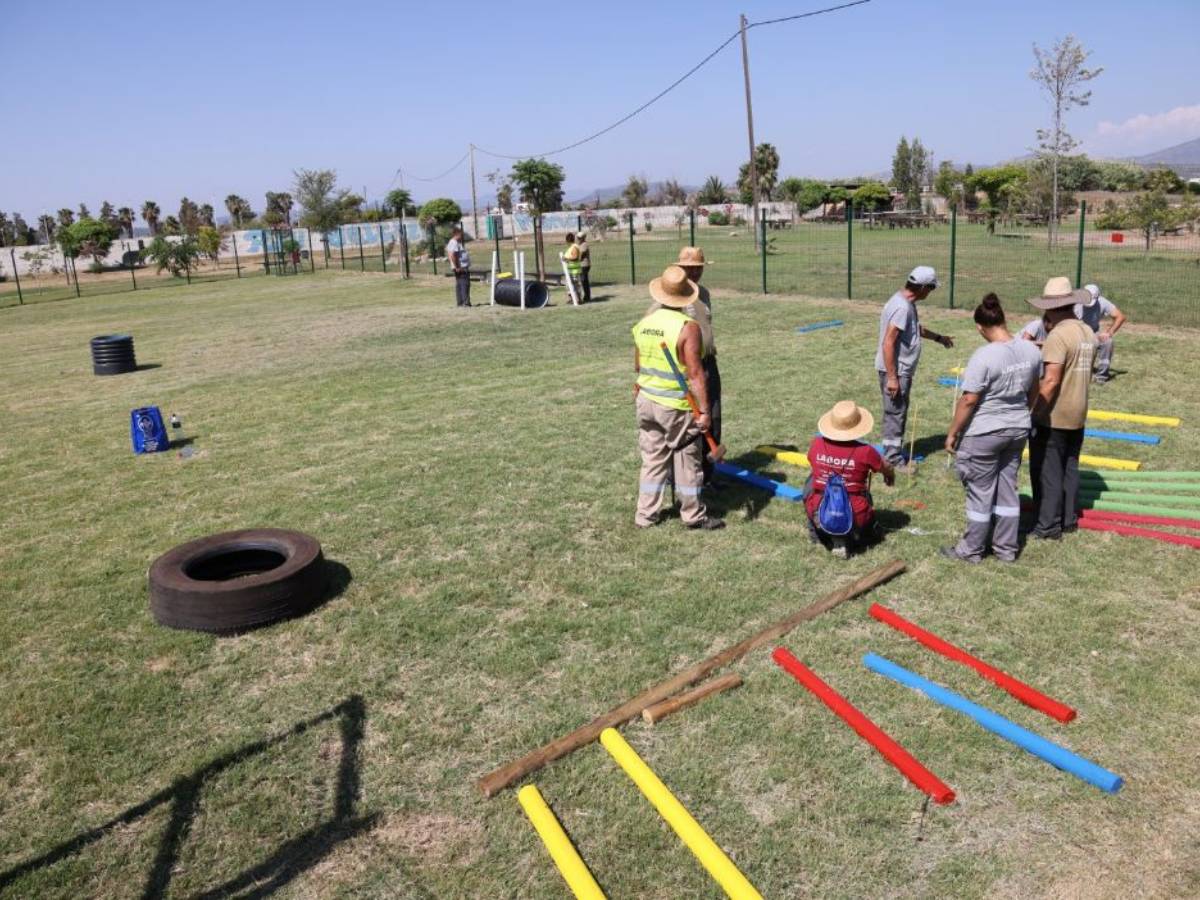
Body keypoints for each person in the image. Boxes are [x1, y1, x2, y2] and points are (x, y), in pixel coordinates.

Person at [941, 293, 1043, 564]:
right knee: (1008, 488)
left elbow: (969, 399)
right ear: (1003, 319)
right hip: (1017, 430)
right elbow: (1035, 390)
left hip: (984, 433)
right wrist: (1023, 413)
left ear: (979, 327)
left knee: (980, 491)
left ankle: (971, 550)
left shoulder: (984, 356)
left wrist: (953, 432)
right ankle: (1006, 549)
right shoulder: (1030, 350)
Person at [632, 265, 724, 530]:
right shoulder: (688, 327)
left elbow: (638, 366)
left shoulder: (644, 324)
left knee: (652, 459)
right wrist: (705, 412)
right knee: (686, 459)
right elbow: (696, 374)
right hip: (675, 405)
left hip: (646, 400)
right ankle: (693, 515)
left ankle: (645, 515)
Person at [1027, 276, 1097, 541]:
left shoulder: (1057, 335)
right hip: (1078, 412)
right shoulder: (1087, 331)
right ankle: (1068, 519)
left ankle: (1047, 525)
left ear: (1051, 307)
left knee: (1048, 471)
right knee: (1070, 467)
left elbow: (1052, 380)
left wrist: (1034, 412)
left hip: (1055, 415)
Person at [875, 266, 954, 466]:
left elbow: (913, 329)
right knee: (896, 413)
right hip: (896, 370)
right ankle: (892, 459)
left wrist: (939, 338)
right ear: (922, 287)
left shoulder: (904, 302)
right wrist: (893, 377)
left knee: (896, 411)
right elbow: (888, 342)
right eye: (931, 288)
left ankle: (892, 451)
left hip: (898, 369)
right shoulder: (902, 307)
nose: (931, 292)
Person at [803, 400, 895, 559]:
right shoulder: (865, 451)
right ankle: (857, 534)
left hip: (819, 509)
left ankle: (817, 532)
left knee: (811, 481)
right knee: (861, 495)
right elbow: (885, 467)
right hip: (855, 515)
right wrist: (889, 475)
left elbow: (811, 461)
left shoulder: (817, 444)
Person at [1078, 283, 1126, 384]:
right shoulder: (1073, 303)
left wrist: (1109, 333)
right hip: (1075, 334)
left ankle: (1101, 376)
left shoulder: (1102, 302)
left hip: (1093, 334)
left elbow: (1120, 316)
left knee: (1108, 342)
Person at [446, 225, 471, 307]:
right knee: (465, 284)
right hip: (461, 267)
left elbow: (450, 254)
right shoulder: (454, 243)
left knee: (459, 284)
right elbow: (453, 255)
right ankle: (465, 302)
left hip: (458, 267)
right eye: (461, 234)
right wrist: (457, 266)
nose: (461, 236)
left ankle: (460, 302)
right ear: (457, 234)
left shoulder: (451, 242)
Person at [563, 232, 583, 303]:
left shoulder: (574, 247)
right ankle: (572, 299)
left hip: (574, 270)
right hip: (571, 270)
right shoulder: (572, 247)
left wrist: (566, 259)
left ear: (568, 240)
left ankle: (577, 299)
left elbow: (575, 257)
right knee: (571, 285)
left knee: (575, 285)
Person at [576, 230, 592, 303]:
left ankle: (587, 297)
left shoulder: (584, 245)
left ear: (583, 238)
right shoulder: (580, 245)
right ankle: (586, 296)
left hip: (584, 265)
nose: (578, 239)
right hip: (581, 265)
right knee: (583, 281)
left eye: (580, 238)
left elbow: (581, 255)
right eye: (578, 237)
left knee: (584, 281)